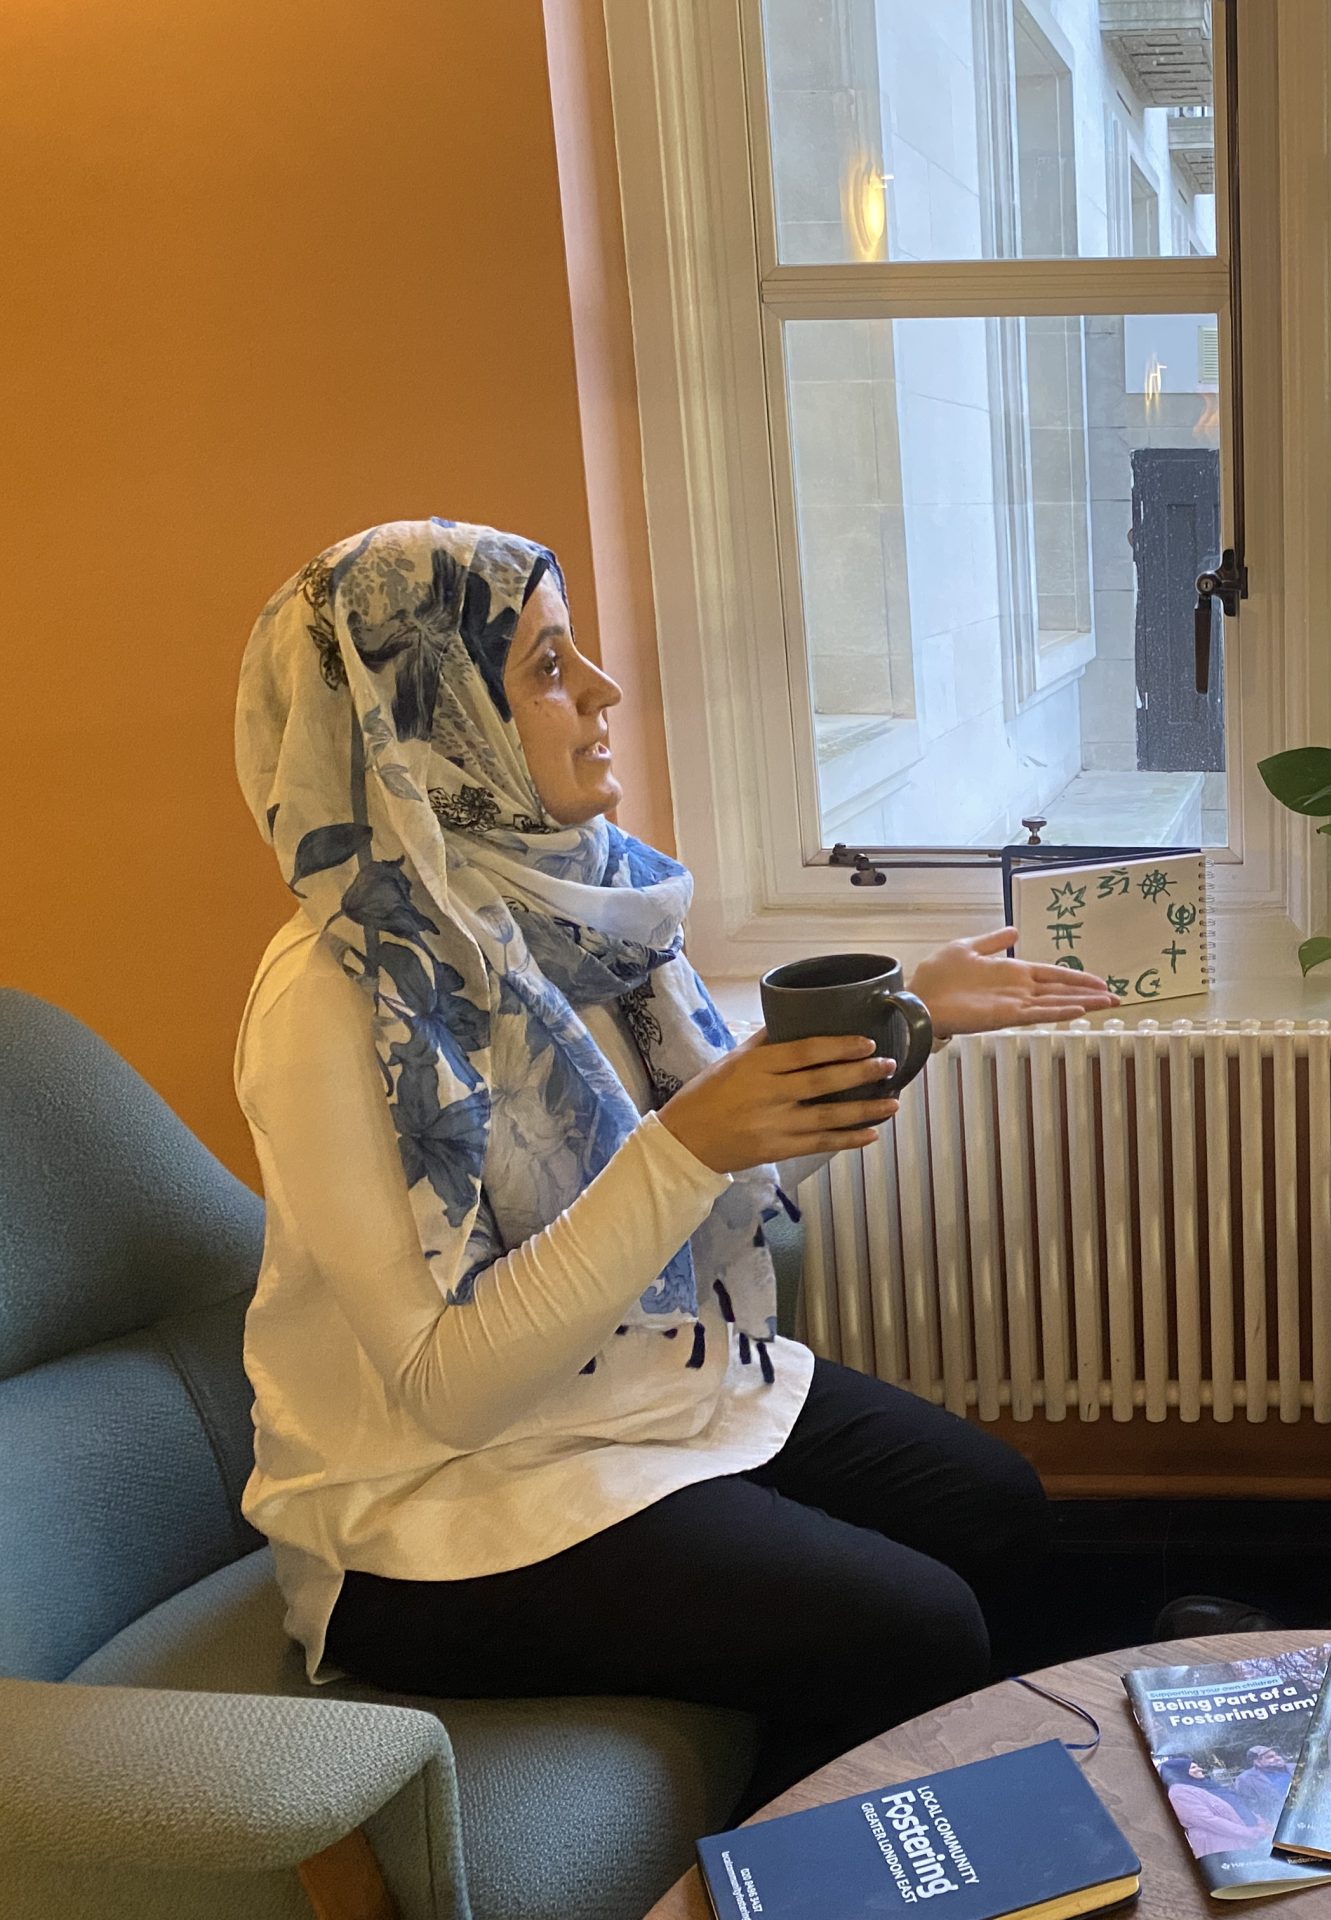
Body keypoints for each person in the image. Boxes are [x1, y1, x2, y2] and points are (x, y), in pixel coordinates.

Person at [231, 520, 1120, 1813]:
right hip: (436, 1511)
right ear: (435, 726)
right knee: (917, 1628)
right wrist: (688, 1144)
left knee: (1003, 1510)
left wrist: (908, 1019)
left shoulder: (581, 908)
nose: (601, 692)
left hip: (635, 1396)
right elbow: (443, 1393)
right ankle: (865, 1872)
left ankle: (1040, 1834)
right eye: (546, 668)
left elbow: (728, 1181)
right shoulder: (334, 998)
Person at [1156, 1758, 1267, 1856]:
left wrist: (1258, 1821)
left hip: (1244, 1840)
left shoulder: (1205, 1786)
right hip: (1221, 1845)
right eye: (1193, 1767)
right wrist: (1248, 1833)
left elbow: (1235, 1803)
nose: (1200, 1769)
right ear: (1179, 1772)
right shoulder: (1179, 1792)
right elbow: (1207, 1820)